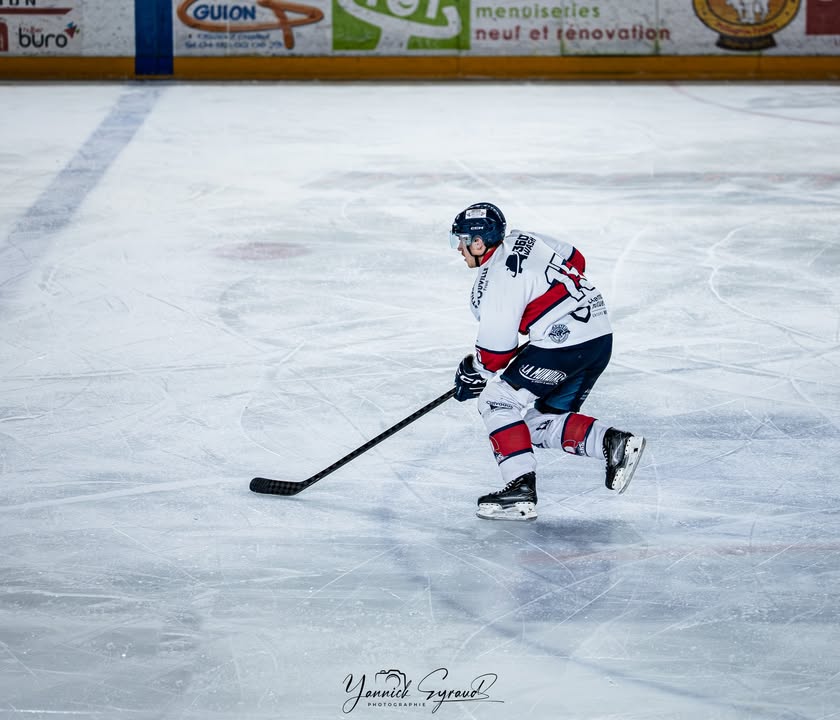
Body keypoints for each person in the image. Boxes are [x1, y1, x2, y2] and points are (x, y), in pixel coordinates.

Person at [450, 202, 646, 521]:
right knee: (536, 424)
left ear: (479, 242)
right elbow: (576, 260)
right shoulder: (524, 237)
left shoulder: (496, 279)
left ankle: (520, 491)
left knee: (497, 401)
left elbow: (495, 355)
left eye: (461, 240)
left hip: (565, 345)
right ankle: (614, 443)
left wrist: (472, 373)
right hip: (598, 335)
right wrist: (550, 313)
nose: (458, 248)